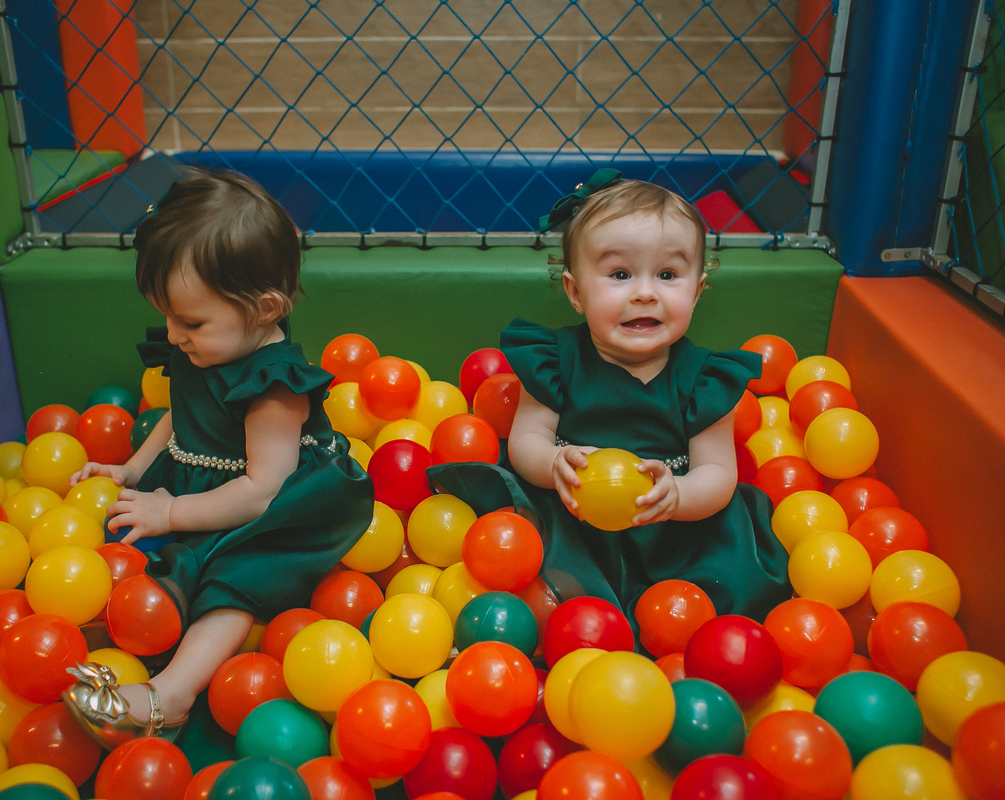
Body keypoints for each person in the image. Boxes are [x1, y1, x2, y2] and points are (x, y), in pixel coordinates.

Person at [62, 169, 374, 749]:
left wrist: (173, 512)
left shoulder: (272, 386)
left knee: (234, 580)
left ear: (264, 308)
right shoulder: (206, 344)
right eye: (170, 317)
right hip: (202, 482)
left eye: (191, 322)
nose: (175, 334)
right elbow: (184, 412)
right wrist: (134, 469)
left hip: (279, 506)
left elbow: (261, 491)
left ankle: (171, 696)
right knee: (144, 544)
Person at [429, 170, 791, 642]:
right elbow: (526, 441)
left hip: (672, 530)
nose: (645, 292)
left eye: (667, 275)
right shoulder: (555, 362)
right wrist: (554, 462)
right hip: (576, 521)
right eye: (620, 274)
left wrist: (677, 496)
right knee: (538, 586)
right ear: (576, 293)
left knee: (723, 601)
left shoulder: (707, 378)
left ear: (697, 292)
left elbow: (718, 475)